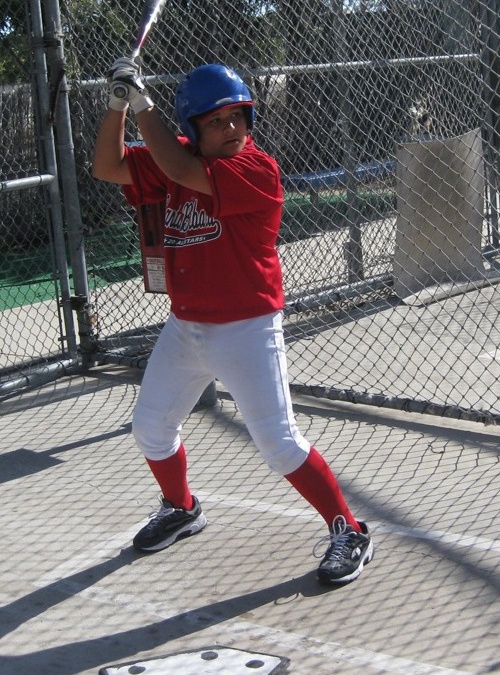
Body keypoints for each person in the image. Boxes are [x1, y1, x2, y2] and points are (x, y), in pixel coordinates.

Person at [92, 58, 374, 585]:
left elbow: (180, 171)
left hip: (248, 326)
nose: (231, 130)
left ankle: (349, 529)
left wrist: (140, 102)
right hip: (185, 326)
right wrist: (116, 106)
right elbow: (106, 166)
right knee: (151, 428)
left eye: (238, 118)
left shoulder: (256, 169)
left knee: (278, 443)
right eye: (216, 121)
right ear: (191, 128)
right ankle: (181, 507)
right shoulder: (172, 157)